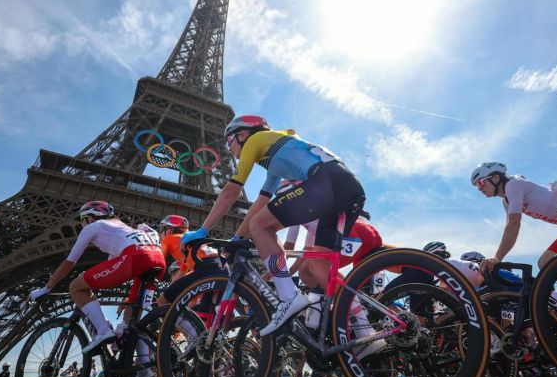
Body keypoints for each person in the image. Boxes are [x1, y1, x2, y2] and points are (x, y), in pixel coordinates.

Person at [181, 115, 366, 338]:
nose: (229, 148)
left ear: (242, 134)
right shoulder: (274, 153)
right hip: (348, 186)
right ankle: (365, 331)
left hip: (325, 181)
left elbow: (232, 190)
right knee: (315, 268)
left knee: (261, 225)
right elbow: (262, 201)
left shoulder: (255, 141)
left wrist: (202, 230)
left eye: (229, 140)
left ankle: (288, 297)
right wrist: (237, 237)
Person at [27, 201, 166, 354]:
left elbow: (69, 262)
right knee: (132, 324)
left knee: (76, 287)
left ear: (89, 217)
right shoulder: (124, 229)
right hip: (158, 259)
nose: (81, 224)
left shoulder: (94, 226)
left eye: (81, 220)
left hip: (135, 257)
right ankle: (144, 371)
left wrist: (46, 288)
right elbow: (109, 267)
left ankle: (103, 330)